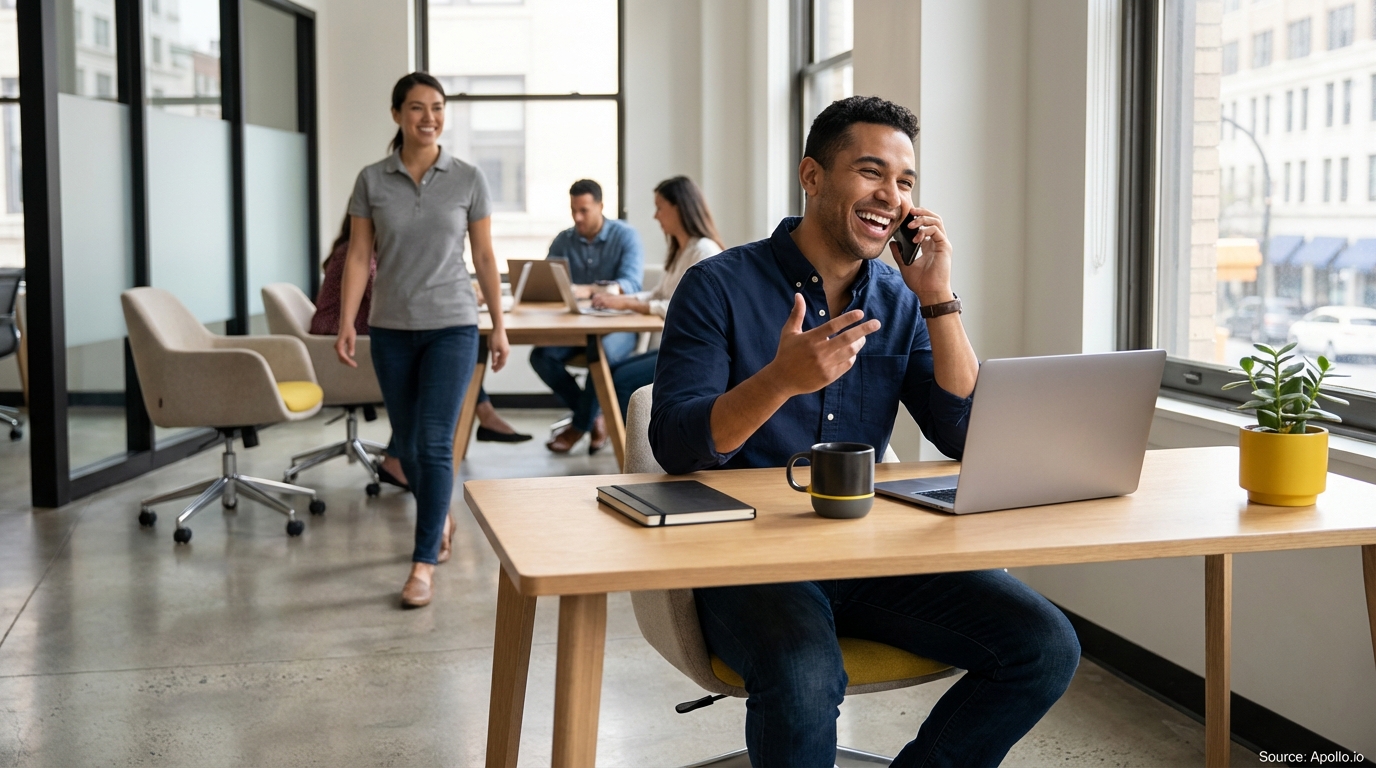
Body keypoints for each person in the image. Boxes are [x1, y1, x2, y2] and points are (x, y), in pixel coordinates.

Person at [649, 96, 1080, 767]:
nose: (893, 196)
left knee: (1045, 645)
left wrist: (937, 296)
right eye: (872, 172)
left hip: (865, 554)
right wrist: (780, 381)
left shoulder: (901, 298)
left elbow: (962, 432)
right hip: (743, 562)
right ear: (812, 176)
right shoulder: (716, 287)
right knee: (802, 673)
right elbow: (676, 446)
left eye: (906, 182)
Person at [335, 72, 511, 609]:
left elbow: (483, 256)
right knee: (407, 446)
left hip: (453, 325)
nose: (428, 117)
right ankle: (442, 515)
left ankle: (422, 563)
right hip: (390, 328)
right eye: (416, 107)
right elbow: (360, 255)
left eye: (436, 107)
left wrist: (499, 324)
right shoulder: (372, 179)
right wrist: (347, 321)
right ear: (397, 115)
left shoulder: (467, 178)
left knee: (435, 442)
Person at [313, 215, 530, 492]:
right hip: (339, 344)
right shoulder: (355, 256)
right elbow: (388, 297)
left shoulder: (364, 254)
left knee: (444, 357)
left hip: (361, 337)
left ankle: (471, 421)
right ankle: (405, 455)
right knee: (431, 364)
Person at [591, 176, 722, 417]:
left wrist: (629, 303)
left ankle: (634, 449)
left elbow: (679, 308)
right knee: (611, 369)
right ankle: (618, 439)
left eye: (660, 208)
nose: (655, 216)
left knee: (620, 379)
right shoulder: (682, 250)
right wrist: (620, 302)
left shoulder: (704, 251)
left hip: (695, 352)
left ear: (679, 207)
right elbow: (659, 295)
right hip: (677, 344)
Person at [530, 179, 644, 454]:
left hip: (621, 327)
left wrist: (587, 290)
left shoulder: (625, 236)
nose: (578, 217)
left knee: (598, 354)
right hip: (576, 328)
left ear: (601, 206)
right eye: (573, 211)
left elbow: (631, 284)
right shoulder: (563, 240)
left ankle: (577, 427)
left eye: (584, 210)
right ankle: (594, 418)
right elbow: (548, 282)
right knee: (541, 357)